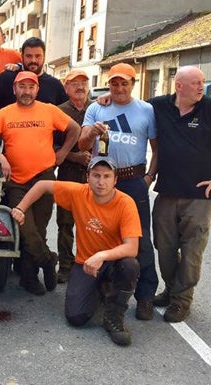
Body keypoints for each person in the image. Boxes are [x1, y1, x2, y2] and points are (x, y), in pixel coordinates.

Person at [149, 66, 211, 322]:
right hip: (167, 193)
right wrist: (105, 99)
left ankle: (182, 300)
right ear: (178, 86)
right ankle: (171, 290)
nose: (201, 87)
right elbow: (132, 108)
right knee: (164, 247)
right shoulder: (159, 106)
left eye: (202, 82)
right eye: (195, 83)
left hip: (199, 196)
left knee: (192, 250)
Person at [11, 156, 141, 346]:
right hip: (85, 263)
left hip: (113, 262)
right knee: (76, 317)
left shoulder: (125, 203)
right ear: (87, 177)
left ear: (115, 180)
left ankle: (114, 315)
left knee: (130, 265)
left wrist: (102, 255)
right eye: (96, 175)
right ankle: (100, 289)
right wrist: (21, 208)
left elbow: (132, 247)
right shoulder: (79, 192)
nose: (101, 182)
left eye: (106, 176)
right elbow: (41, 186)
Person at [78, 63, 159, 321]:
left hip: (132, 179)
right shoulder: (96, 107)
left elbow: (156, 148)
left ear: (133, 84)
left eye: (124, 83)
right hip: (101, 180)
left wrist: (148, 177)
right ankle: (103, 285)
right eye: (114, 83)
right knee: (98, 232)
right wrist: (92, 131)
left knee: (141, 239)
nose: (119, 88)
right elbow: (82, 143)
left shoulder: (146, 110)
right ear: (108, 84)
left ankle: (145, 297)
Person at [0, 71, 81, 295]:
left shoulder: (49, 110)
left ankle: (28, 279)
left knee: (38, 230)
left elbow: (74, 130)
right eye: (22, 87)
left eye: (31, 87)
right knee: (26, 230)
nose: (26, 92)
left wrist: (62, 154)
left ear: (37, 90)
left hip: (45, 178)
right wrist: (0, 157)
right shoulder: (4, 114)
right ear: (14, 89)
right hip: (17, 183)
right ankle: (48, 260)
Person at [0, 37, 67, 115]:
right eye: (29, 56)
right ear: (22, 57)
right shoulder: (9, 77)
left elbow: (68, 113)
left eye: (38, 56)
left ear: (44, 57)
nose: (33, 60)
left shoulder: (55, 85)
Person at [54, 69, 93, 283]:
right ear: (66, 88)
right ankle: (66, 266)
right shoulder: (59, 112)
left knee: (91, 223)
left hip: (95, 177)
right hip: (68, 173)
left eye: (83, 82)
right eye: (74, 83)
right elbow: (52, 146)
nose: (80, 86)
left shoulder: (98, 108)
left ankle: (87, 264)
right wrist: (75, 157)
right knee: (66, 222)